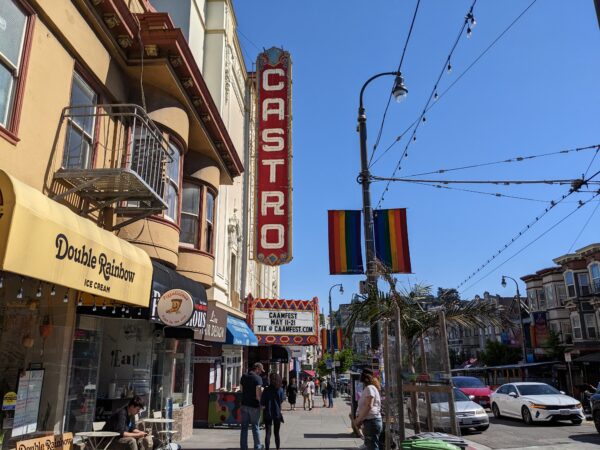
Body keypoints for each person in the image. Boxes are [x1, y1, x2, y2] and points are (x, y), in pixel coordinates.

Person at [353, 368, 382, 450]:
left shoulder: (370, 388)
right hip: (370, 421)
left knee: (372, 447)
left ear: (365, 378)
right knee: (370, 446)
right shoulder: (370, 388)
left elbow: (369, 406)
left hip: (372, 422)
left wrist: (358, 419)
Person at [240, 362, 264, 450]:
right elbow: (258, 395)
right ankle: (257, 447)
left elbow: (241, 390)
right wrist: (261, 404)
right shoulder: (258, 379)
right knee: (255, 427)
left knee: (244, 428)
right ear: (257, 368)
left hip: (244, 405)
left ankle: (243, 447)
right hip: (254, 406)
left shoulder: (244, 376)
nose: (261, 372)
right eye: (260, 370)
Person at [261, 373, 284, 450]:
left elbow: (262, 402)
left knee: (268, 433)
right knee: (276, 433)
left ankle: (267, 448)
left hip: (268, 412)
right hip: (277, 413)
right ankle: (278, 448)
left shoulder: (266, 389)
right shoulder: (280, 389)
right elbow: (281, 400)